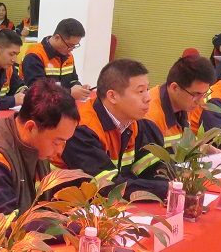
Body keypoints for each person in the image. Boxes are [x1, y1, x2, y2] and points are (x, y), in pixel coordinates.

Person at [0, 79, 78, 217]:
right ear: (31, 127)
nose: (60, 150)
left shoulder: (36, 144)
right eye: (57, 142)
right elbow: (2, 225)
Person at [60, 59, 169, 199]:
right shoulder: (82, 129)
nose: (148, 98)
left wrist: (178, 184)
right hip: (70, 207)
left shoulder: (135, 123)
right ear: (112, 96)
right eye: (140, 91)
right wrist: (167, 189)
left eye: (147, 90)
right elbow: (108, 187)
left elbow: (151, 170)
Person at [145, 53, 218, 149]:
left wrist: (201, 147)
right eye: (196, 94)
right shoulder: (150, 118)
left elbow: (184, 143)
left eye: (204, 94)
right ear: (174, 88)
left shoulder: (183, 104)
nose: (200, 102)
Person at [19, 18, 91, 102]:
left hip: (61, 103)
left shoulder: (68, 55)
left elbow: (73, 79)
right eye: (70, 45)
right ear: (57, 38)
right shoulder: (34, 56)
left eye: (75, 45)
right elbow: (38, 91)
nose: (71, 49)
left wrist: (79, 88)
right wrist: (69, 93)